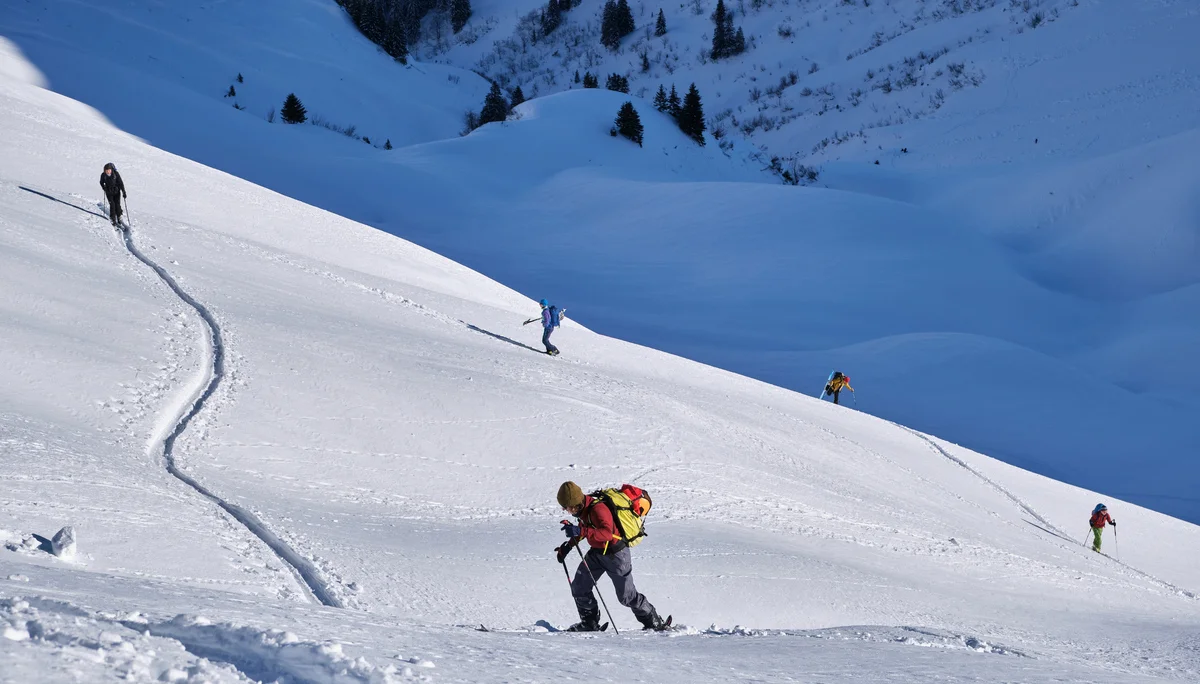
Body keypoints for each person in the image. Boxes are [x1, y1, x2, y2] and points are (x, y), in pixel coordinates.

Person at [555, 481, 668, 631]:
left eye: (566, 507)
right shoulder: (583, 509)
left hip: (617, 556)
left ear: (575, 504)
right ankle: (589, 623)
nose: (566, 510)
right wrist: (567, 547)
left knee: (626, 597)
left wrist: (581, 532)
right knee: (579, 587)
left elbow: (607, 534)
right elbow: (584, 529)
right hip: (597, 553)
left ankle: (653, 621)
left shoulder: (598, 509)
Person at [99, 163, 127, 227]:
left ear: (111, 169)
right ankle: (113, 218)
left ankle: (119, 215)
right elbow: (101, 182)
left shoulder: (116, 174)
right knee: (112, 205)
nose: (108, 171)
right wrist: (104, 188)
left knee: (117, 204)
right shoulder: (103, 175)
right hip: (109, 192)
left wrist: (124, 192)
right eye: (106, 170)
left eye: (109, 170)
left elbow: (120, 183)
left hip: (116, 191)